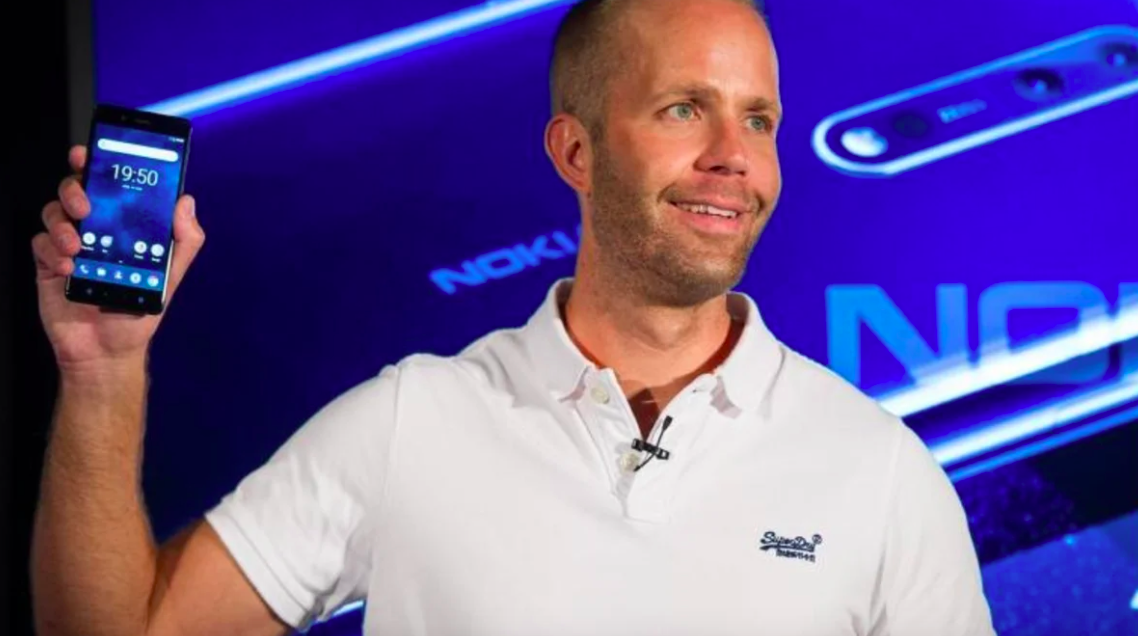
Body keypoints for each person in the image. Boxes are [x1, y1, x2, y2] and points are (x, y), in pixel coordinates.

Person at [30, 0, 996, 634]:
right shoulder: (412, 421)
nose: (732, 156)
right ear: (575, 153)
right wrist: (101, 372)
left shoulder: (881, 472)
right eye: (682, 110)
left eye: (758, 119)